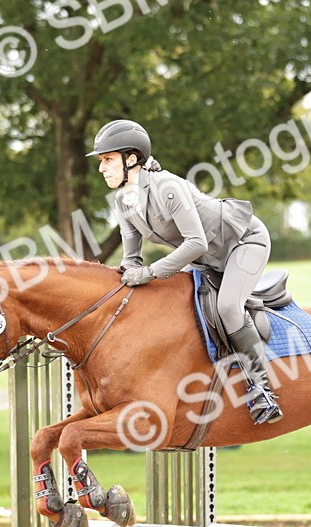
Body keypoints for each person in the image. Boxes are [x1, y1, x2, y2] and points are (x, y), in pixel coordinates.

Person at [87, 119, 282, 424]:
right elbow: (131, 258)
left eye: (108, 160)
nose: (102, 168)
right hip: (204, 259)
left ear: (132, 158)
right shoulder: (122, 201)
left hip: (242, 242)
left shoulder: (169, 187)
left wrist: (149, 272)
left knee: (228, 306)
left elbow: (196, 242)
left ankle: (262, 389)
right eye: (101, 161)